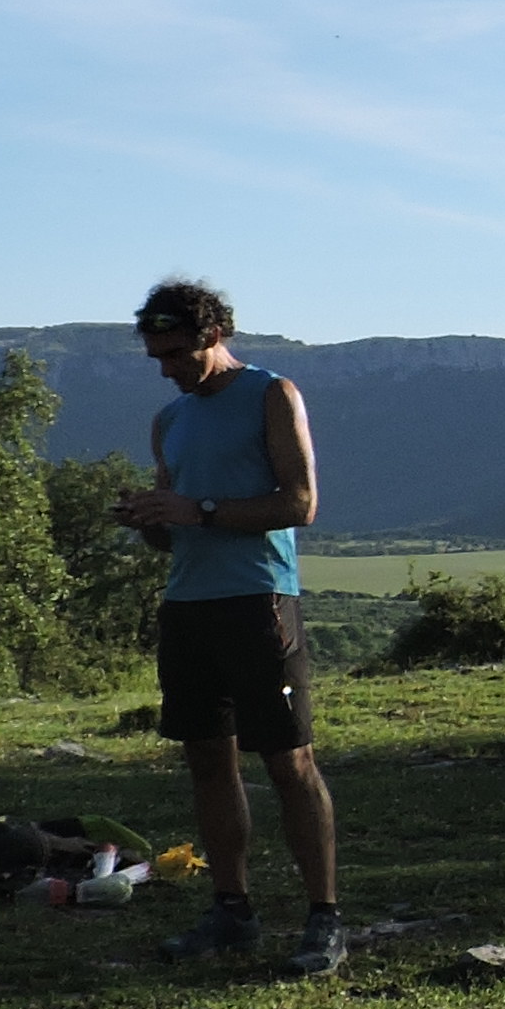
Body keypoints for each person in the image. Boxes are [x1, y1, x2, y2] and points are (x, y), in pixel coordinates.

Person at [113, 277, 345, 971]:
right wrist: (152, 518)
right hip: (189, 604)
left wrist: (200, 510)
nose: (168, 368)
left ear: (214, 335)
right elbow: (175, 521)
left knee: (287, 760)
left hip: (259, 599)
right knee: (208, 759)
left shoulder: (273, 394)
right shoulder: (169, 419)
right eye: (158, 357)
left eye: (178, 352)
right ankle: (231, 909)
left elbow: (299, 503)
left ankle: (324, 918)